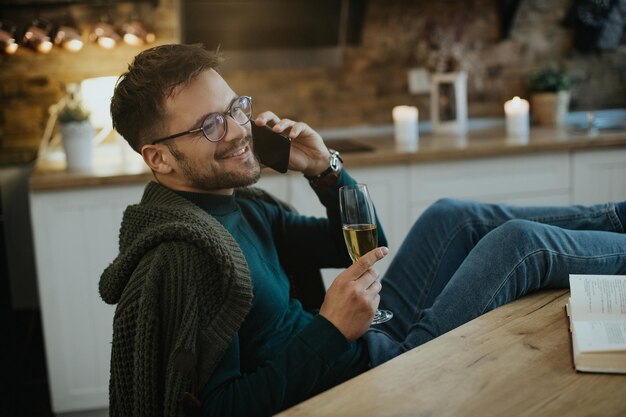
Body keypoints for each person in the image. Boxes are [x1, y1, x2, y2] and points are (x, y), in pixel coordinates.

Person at [99, 44, 626, 417]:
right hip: (367, 371)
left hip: (362, 337)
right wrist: (330, 330)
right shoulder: (189, 256)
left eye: (237, 108)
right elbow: (222, 409)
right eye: (211, 124)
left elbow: (363, 244)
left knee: (450, 216)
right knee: (518, 244)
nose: (240, 130)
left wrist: (325, 170)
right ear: (159, 158)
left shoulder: (244, 207)